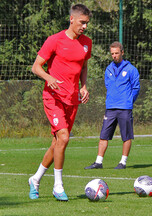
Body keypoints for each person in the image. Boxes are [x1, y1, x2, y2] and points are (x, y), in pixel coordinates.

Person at [29, 4, 92, 201]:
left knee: (57, 142)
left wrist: (84, 86)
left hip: (72, 99)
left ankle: (35, 179)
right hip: (53, 97)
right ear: (71, 19)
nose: (85, 27)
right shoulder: (54, 40)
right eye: (82, 23)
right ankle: (58, 186)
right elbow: (36, 67)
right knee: (64, 138)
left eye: (87, 23)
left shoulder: (86, 43)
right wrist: (49, 78)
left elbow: (83, 65)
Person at [84, 41, 140, 170]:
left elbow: (136, 88)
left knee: (126, 136)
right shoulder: (108, 69)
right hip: (110, 107)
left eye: (116, 53)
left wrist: (129, 101)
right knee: (104, 135)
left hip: (125, 107)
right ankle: (98, 162)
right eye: (112, 54)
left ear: (122, 53)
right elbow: (108, 85)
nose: (114, 56)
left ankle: (123, 162)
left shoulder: (131, 69)